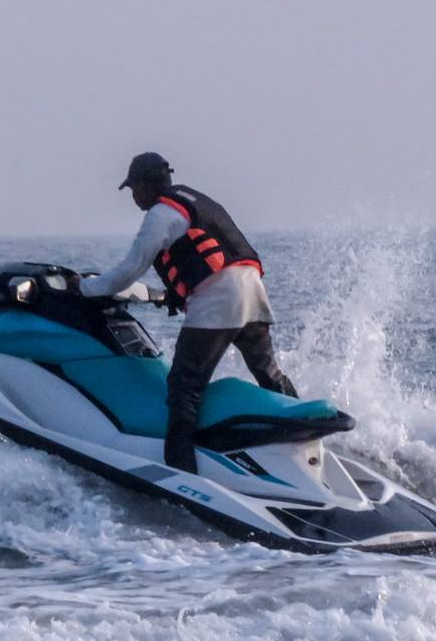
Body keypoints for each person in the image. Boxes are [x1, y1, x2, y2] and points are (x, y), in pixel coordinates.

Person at [78, 152, 297, 475]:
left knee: (184, 387)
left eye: (134, 188)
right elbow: (207, 257)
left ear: (147, 184)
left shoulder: (161, 213)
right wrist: (172, 295)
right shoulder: (193, 199)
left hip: (219, 299)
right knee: (269, 374)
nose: (134, 197)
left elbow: (128, 270)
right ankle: (300, 443)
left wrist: (85, 288)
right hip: (251, 289)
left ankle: (181, 472)